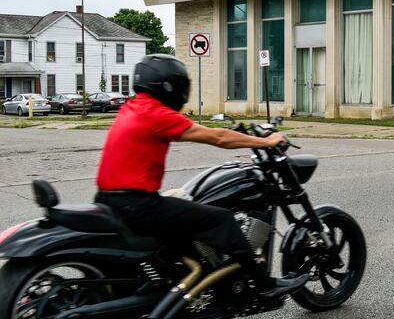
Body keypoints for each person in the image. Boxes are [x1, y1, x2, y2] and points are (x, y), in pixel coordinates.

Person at [94, 54, 307, 299]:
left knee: (185, 212)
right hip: (138, 205)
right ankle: (264, 286)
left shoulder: (132, 108)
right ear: (169, 86)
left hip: (108, 200)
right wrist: (267, 141)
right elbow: (219, 138)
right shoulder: (157, 114)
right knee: (223, 221)